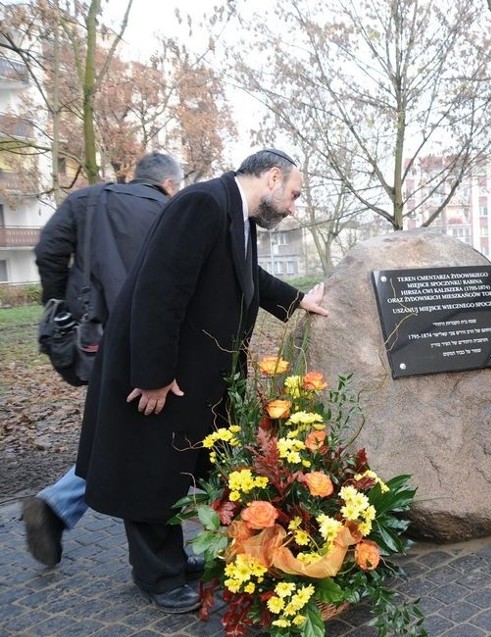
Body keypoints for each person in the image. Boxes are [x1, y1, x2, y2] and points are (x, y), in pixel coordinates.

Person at [75, 149, 329, 614]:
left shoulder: (235, 213)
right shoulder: (203, 204)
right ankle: (158, 577)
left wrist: (295, 301)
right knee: (150, 471)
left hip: (192, 375)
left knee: (172, 469)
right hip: (160, 374)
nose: (295, 205)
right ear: (273, 177)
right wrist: (153, 376)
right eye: (294, 193)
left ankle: (171, 560)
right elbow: (159, 289)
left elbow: (245, 274)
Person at [23, 151, 184, 568]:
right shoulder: (172, 212)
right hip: (153, 345)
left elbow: (49, 252)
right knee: (133, 442)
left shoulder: (87, 201)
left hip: (95, 341)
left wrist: (60, 303)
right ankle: (62, 509)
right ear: (169, 184)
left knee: (116, 432)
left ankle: (58, 507)